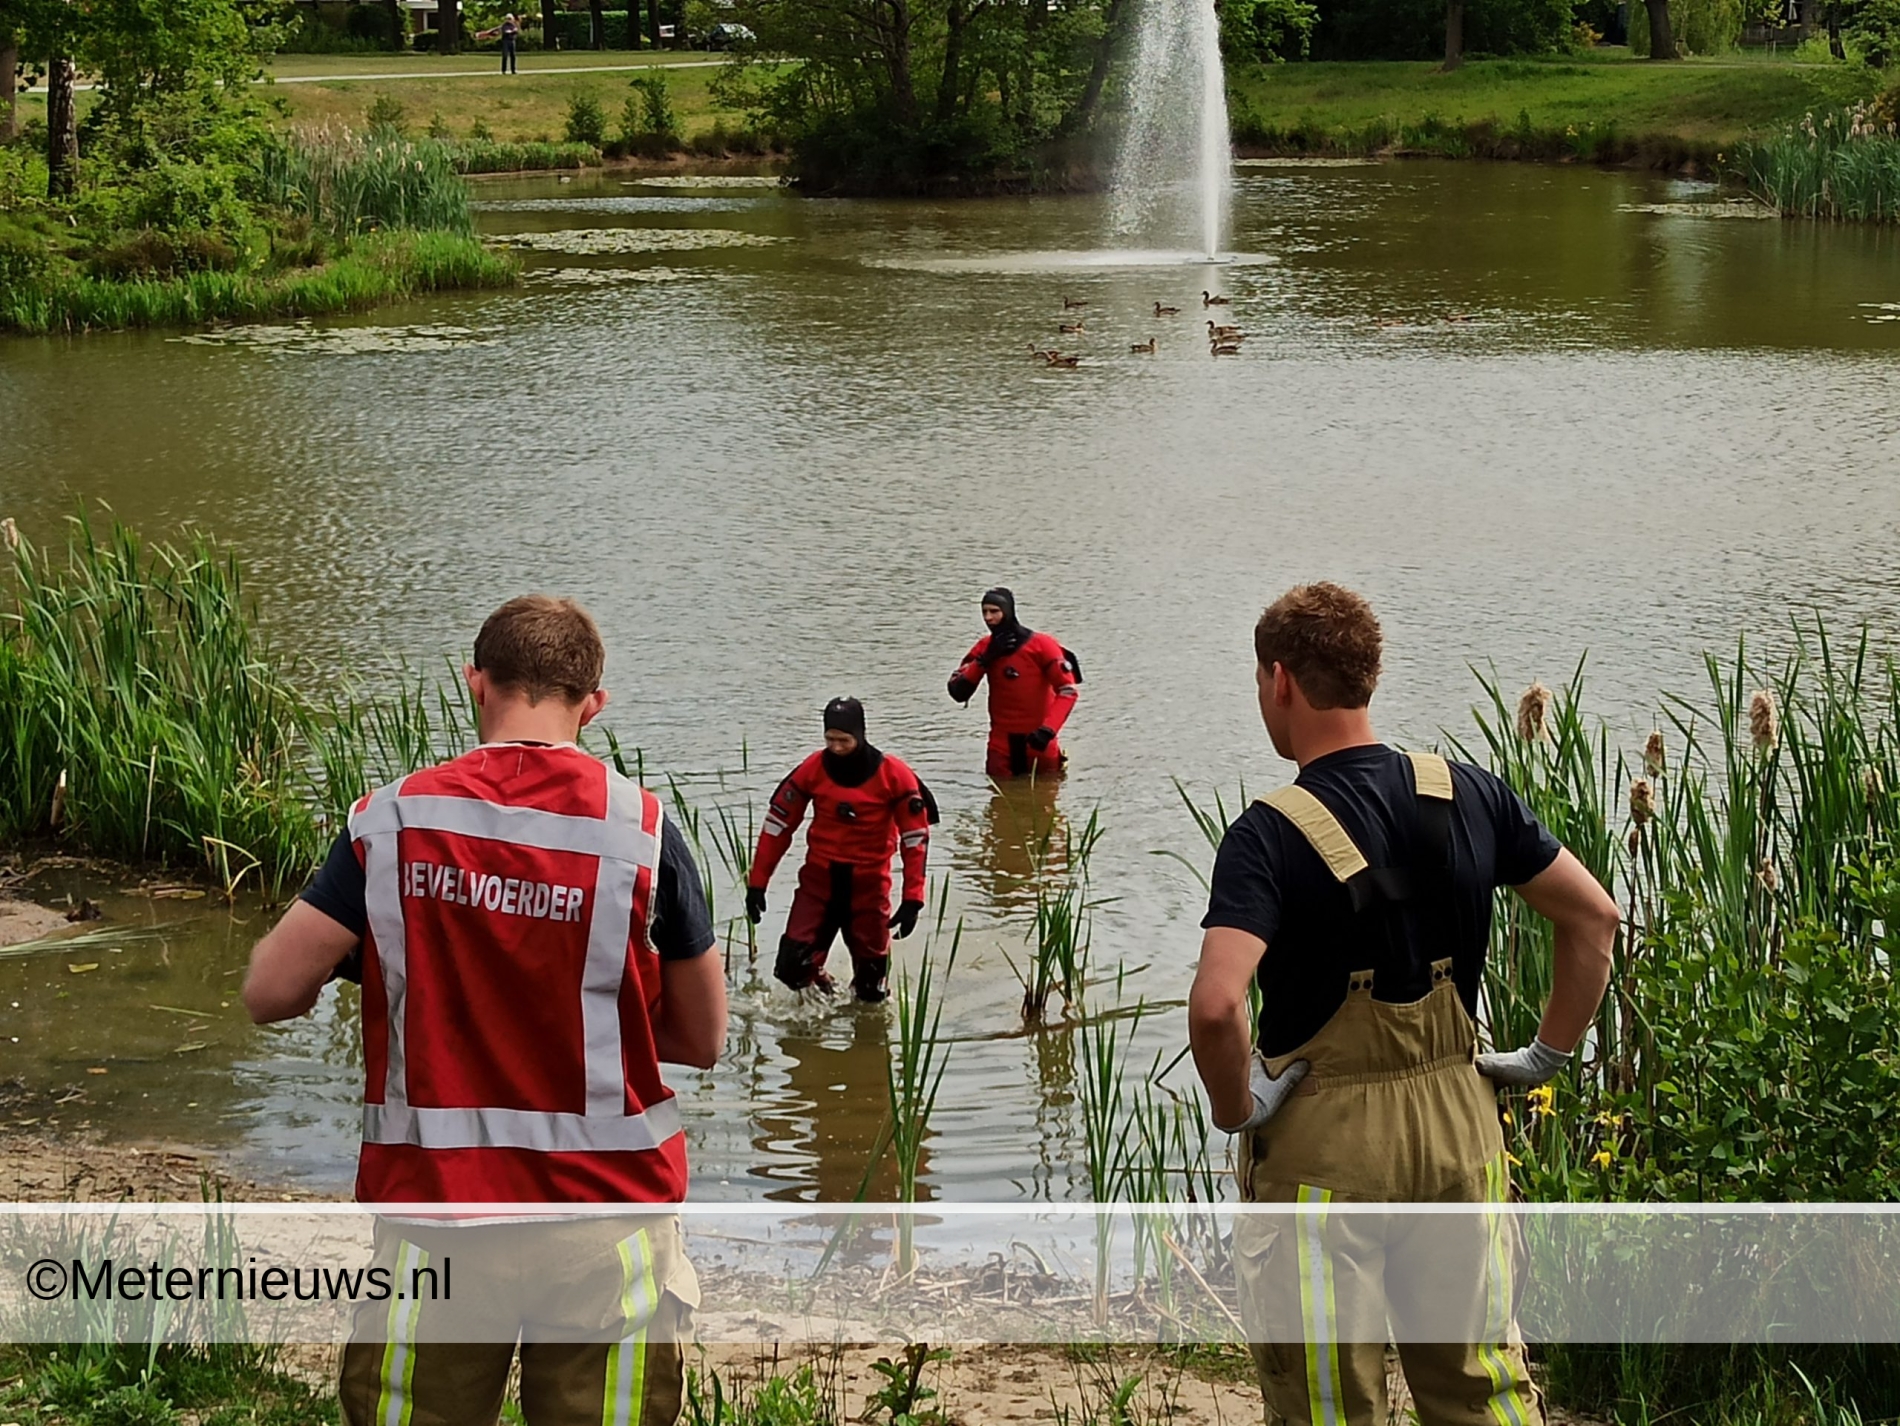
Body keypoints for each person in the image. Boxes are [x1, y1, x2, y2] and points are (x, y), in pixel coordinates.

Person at [242, 595, 727, 1426]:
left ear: (476, 683)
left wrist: (389, 964)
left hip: (439, 1220)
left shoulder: (391, 821)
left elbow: (270, 992)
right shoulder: (642, 831)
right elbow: (702, 1038)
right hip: (603, 1220)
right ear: (594, 702)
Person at [1186, 583, 1619, 1426]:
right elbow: (1594, 918)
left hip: (1323, 1153)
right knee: (1481, 1388)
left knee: (1327, 1403)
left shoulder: (1267, 835)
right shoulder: (1469, 792)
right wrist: (1545, 1055)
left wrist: (1238, 1107)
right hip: (1461, 1135)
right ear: (1368, 677)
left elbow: (1215, 1007)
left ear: (1280, 681)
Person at [745, 697, 936, 1003]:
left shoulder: (894, 775)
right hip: (819, 883)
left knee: (871, 993)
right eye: (829, 739)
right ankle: (825, 993)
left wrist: (913, 899)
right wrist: (758, 884)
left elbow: (915, 839)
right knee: (792, 969)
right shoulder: (812, 768)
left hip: (869, 887)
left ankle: (864, 1033)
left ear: (860, 736)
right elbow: (778, 826)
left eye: (843, 740)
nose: (835, 747)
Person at [946, 587, 1080, 779]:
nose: (988, 618)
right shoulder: (985, 648)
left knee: (1046, 803)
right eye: (984, 612)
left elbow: (1068, 691)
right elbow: (958, 692)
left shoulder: (1042, 645)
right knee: (998, 804)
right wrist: (985, 660)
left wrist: (1048, 730)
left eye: (994, 611)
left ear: (1008, 611)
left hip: (1039, 741)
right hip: (1001, 746)